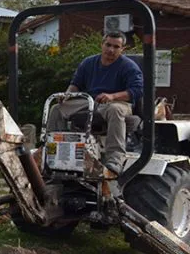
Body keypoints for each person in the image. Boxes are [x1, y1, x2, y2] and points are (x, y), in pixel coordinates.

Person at [47, 32, 144, 174]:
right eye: (108, 45)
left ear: (122, 49)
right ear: (102, 44)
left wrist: (112, 96)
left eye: (116, 47)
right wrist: (67, 95)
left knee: (115, 110)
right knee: (57, 108)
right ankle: (52, 152)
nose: (111, 49)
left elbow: (137, 90)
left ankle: (115, 159)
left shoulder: (128, 66)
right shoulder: (88, 63)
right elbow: (76, 84)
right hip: (91, 101)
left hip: (118, 102)